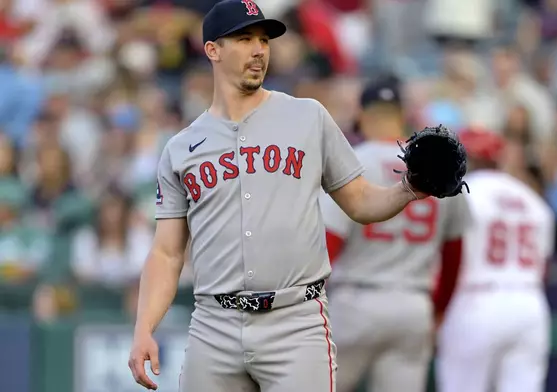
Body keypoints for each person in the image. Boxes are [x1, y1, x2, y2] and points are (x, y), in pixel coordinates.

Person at [126, 1, 434, 391]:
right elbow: (166, 254)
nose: (259, 50)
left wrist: (407, 189)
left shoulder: (308, 117)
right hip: (214, 325)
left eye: (263, 40)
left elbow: (359, 201)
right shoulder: (181, 148)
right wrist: (144, 328)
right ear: (212, 51)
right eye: (244, 39)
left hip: (295, 321)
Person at [320, 76, 468, 392]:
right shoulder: (437, 163)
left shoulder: (353, 159)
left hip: (356, 300)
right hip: (414, 304)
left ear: (361, 114)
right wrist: (438, 310)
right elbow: (455, 254)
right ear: (403, 114)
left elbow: (327, 243)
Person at [433, 129, 555, 392]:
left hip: (476, 299)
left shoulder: (462, 194)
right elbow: (543, 268)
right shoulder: (534, 201)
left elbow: (448, 257)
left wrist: (438, 310)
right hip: (529, 303)